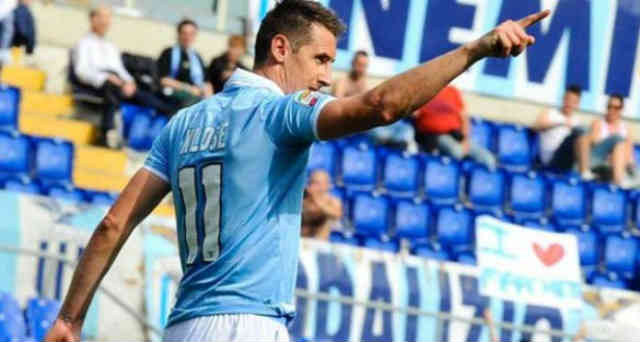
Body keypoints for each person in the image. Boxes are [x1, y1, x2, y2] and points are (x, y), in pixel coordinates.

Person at [44, 0, 548, 340]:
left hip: (183, 326)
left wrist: (69, 318)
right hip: (249, 325)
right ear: (280, 49)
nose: (327, 75)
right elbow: (384, 105)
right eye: (321, 58)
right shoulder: (282, 111)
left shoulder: (183, 123)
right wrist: (473, 49)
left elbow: (114, 223)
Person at [71, 5, 174, 148]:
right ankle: (107, 133)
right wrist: (105, 78)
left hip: (119, 83)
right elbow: (81, 71)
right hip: (97, 84)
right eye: (102, 17)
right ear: (93, 19)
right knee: (111, 88)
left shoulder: (111, 46)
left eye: (108, 18)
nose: (105, 22)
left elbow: (120, 69)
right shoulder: (83, 44)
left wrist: (129, 82)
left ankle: (168, 128)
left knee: (153, 96)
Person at [414, 85, 496, 169]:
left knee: (488, 159)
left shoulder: (452, 91)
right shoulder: (424, 92)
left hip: (456, 135)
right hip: (434, 135)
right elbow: (414, 113)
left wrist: (465, 140)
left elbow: (464, 118)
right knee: (456, 151)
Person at [577, 94, 637, 187]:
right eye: (609, 106)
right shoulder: (598, 123)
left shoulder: (626, 129)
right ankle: (618, 182)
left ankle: (618, 182)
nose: (612, 110)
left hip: (617, 165)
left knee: (620, 147)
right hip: (598, 163)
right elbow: (594, 145)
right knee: (618, 142)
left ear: (621, 109)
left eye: (616, 107)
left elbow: (630, 158)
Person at [157, 19, 211, 109]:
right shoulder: (168, 53)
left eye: (191, 34)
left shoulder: (197, 57)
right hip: (174, 94)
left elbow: (206, 82)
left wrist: (209, 97)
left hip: (196, 95)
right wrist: (189, 88)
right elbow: (164, 80)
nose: (187, 37)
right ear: (178, 34)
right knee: (192, 100)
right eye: (184, 33)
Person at [533, 85, 584, 172]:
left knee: (582, 136)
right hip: (551, 159)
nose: (569, 104)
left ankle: (586, 171)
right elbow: (536, 127)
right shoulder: (551, 113)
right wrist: (560, 123)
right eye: (567, 99)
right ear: (563, 99)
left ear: (577, 104)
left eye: (573, 102)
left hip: (569, 159)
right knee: (578, 134)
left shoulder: (577, 121)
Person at [302, 170, 342, 240]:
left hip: (319, 243)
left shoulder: (332, 201)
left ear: (327, 185)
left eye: (318, 183)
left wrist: (316, 199)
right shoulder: (303, 199)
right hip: (301, 240)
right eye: (312, 182)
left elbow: (337, 214)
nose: (314, 186)